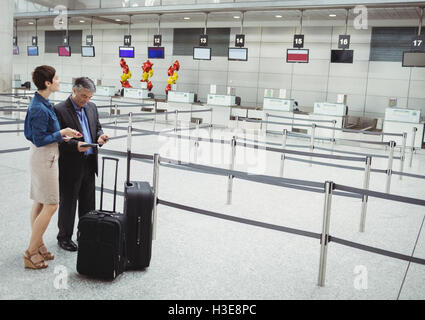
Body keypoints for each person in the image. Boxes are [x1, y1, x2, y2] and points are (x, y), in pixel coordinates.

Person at [24, 65, 82, 269]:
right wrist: (61, 132)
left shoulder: (43, 102)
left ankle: (38, 244)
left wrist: (63, 134)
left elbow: (42, 134)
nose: (59, 81)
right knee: (51, 204)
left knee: (40, 202)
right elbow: (39, 139)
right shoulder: (39, 108)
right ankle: (31, 252)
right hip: (44, 158)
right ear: (47, 83)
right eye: (56, 78)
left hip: (44, 156)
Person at [54, 77, 109, 252]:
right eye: (84, 96)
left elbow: (97, 127)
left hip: (89, 163)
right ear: (74, 90)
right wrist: (74, 146)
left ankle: (85, 233)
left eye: (89, 97)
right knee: (68, 203)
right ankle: (64, 237)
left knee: (88, 203)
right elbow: (57, 139)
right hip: (70, 164)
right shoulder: (60, 110)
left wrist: (100, 136)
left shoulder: (91, 107)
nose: (86, 100)